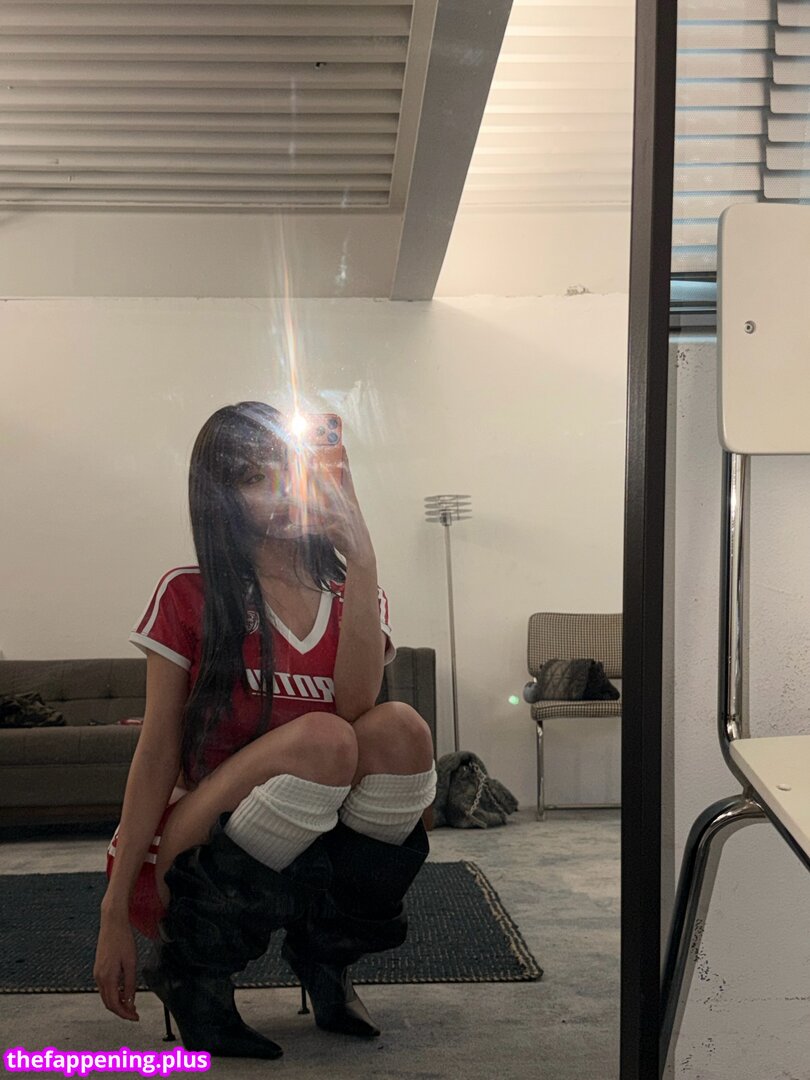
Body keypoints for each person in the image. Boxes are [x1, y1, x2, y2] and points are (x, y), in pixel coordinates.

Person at [94, 401, 437, 1059]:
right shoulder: (189, 592)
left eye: (289, 468)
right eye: (254, 477)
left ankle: (325, 959)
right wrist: (113, 910)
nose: (279, 490)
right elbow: (158, 748)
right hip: (200, 837)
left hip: (315, 822)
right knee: (325, 739)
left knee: (401, 730)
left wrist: (363, 558)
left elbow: (356, 704)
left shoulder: (353, 592)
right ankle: (196, 976)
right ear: (222, 498)